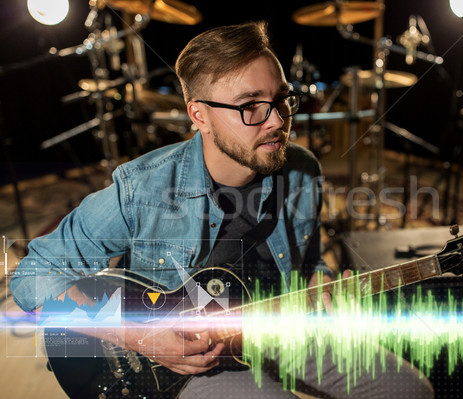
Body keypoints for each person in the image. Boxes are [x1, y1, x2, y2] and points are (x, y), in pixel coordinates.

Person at [10, 21, 433, 398]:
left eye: (282, 98)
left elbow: (304, 267)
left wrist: (325, 289)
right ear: (200, 115)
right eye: (250, 105)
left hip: (279, 327)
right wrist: (139, 337)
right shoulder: (142, 187)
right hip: (180, 360)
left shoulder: (302, 170)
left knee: (411, 389)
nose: (277, 121)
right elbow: (32, 275)